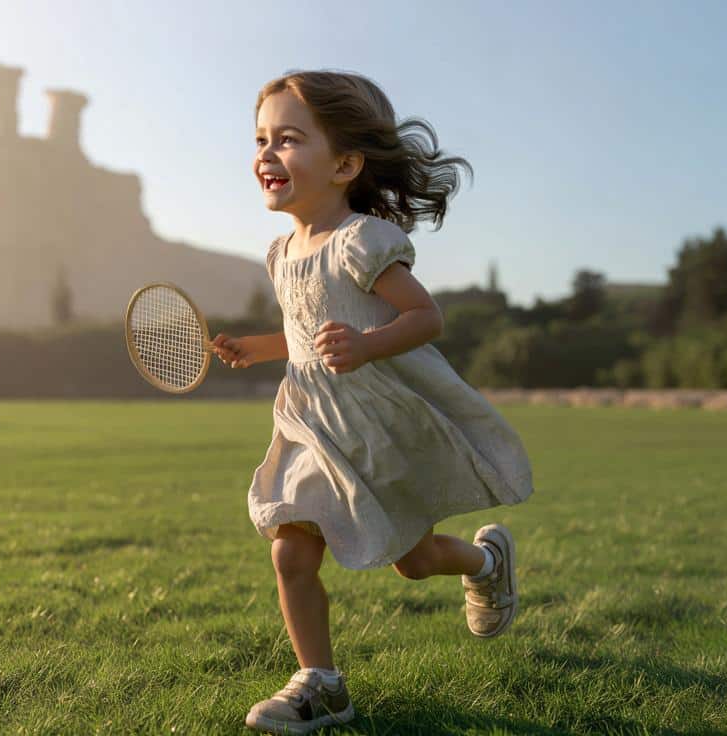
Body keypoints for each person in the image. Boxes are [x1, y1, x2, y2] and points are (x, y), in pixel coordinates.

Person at [212, 70, 535, 735]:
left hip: (376, 423)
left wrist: (366, 345)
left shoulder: (362, 240)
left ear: (346, 165)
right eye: (261, 139)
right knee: (290, 551)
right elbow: (305, 334)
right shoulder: (280, 253)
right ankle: (322, 685)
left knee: (415, 562)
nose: (268, 153)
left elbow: (425, 318)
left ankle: (486, 562)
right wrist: (257, 347)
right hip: (311, 422)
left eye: (288, 139)